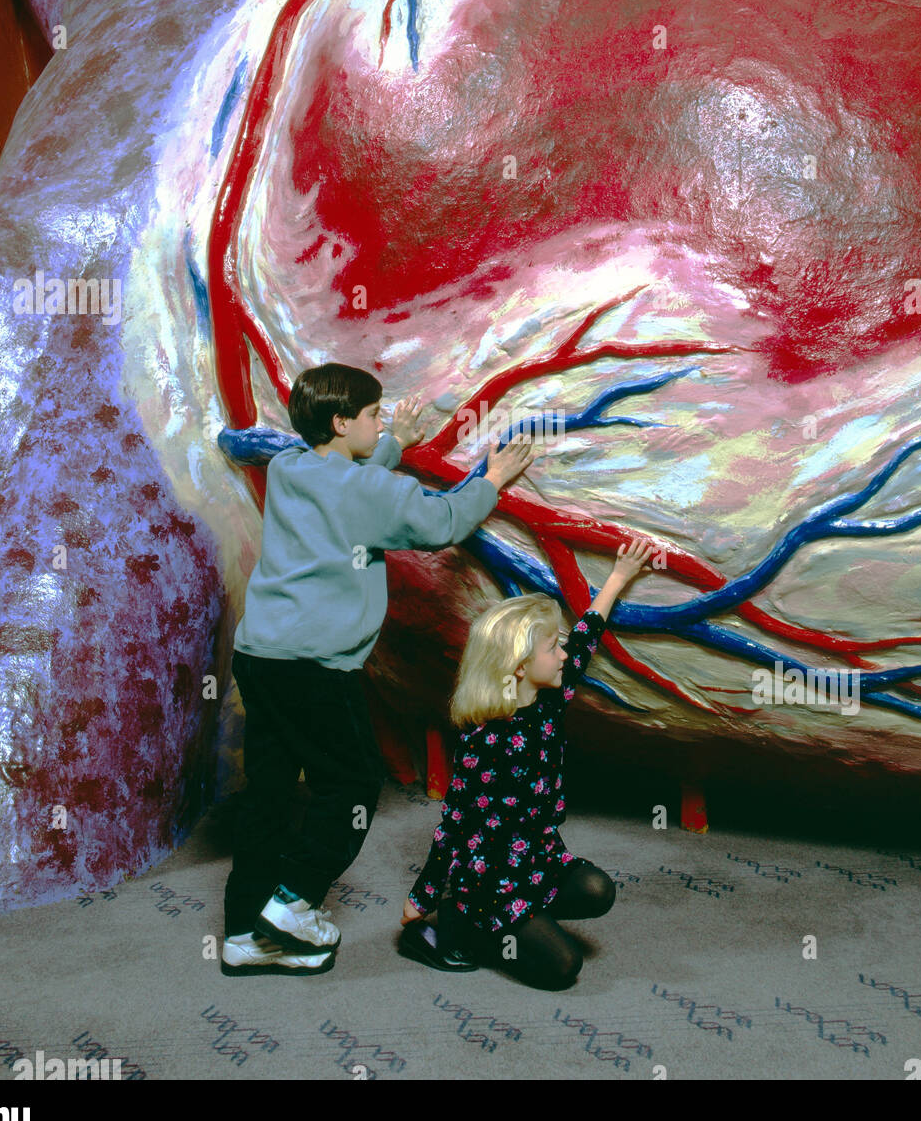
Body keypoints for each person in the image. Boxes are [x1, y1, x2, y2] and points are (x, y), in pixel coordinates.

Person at [221, 362, 535, 976]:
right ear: (342, 423)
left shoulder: (290, 468)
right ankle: (290, 903)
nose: (379, 421)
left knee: (270, 790)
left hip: (260, 655)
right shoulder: (371, 492)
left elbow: (349, 479)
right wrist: (492, 478)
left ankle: (241, 934)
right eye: (372, 415)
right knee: (354, 784)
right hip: (314, 667)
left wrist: (394, 444)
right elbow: (443, 521)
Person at [398, 537, 657, 990]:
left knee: (599, 891)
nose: (562, 655)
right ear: (519, 665)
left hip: (538, 860)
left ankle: (508, 922)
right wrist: (421, 896)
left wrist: (618, 577)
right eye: (551, 648)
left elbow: (584, 641)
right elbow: (454, 823)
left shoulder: (549, 700)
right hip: (491, 882)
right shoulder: (485, 740)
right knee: (563, 968)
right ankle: (451, 925)